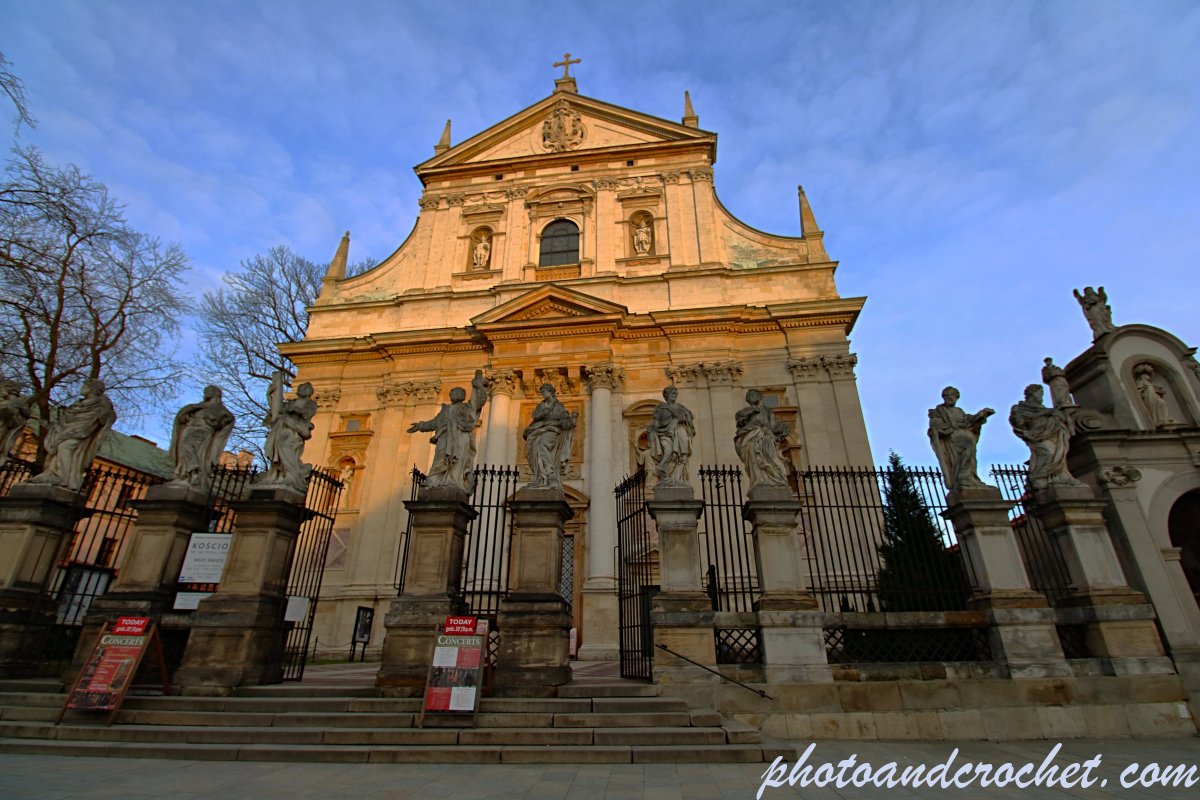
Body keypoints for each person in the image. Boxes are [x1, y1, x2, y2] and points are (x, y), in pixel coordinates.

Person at [30, 378, 117, 492]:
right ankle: (53, 474)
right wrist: (51, 426)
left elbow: (104, 420)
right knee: (58, 450)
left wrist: (105, 410)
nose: (81, 389)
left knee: (64, 447)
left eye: (84, 387)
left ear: (92, 389)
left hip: (82, 433)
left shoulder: (101, 404)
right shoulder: (77, 405)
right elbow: (66, 420)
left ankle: (62, 477)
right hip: (67, 431)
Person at [408, 371, 488, 493]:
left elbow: (479, 401)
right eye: (454, 392)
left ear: (463, 397)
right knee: (440, 456)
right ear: (450, 395)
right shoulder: (445, 410)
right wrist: (420, 425)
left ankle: (454, 481)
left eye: (460, 393)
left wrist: (479, 386)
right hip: (444, 437)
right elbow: (435, 423)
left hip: (460, 436)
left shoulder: (467, 408)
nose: (456, 394)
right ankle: (434, 480)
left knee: (459, 458)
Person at [1009, 384, 1082, 491]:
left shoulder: (1044, 409)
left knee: (1059, 455)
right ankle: (1038, 478)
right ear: (1032, 394)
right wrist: (1016, 415)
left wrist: (1057, 416)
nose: (1041, 397)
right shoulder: (1020, 408)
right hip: (1036, 436)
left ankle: (1059, 477)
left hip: (1052, 436)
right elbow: (1019, 423)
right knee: (1048, 453)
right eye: (1040, 394)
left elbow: (1062, 417)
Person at [255, 373, 317, 494]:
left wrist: (293, 411)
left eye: (305, 388)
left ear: (310, 392)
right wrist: (269, 395)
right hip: (283, 428)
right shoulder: (290, 403)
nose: (301, 389)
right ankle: (279, 475)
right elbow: (276, 410)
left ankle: (291, 474)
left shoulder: (311, 404)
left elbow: (306, 413)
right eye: (301, 387)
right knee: (278, 445)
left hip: (296, 431)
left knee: (285, 445)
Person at [168, 385, 235, 491]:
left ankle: (195, 470)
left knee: (186, 445)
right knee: (183, 450)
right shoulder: (197, 406)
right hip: (190, 428)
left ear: (216, 394)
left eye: (209, 391)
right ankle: (186, 475)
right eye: (205, 391)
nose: (206, 393)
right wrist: (190, 411)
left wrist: (212, 420)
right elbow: (181, 418)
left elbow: (225, 421)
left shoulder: (220, 409)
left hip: (204, 429)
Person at [927, 386, 993, 492]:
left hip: (963, 434)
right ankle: (964, 476)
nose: (950, 398)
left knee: (970, 455)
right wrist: (947, 430)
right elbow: (935, 424)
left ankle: (970, 478)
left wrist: (981, 415)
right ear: (943, 397)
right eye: (947, 395)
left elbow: (966, 421)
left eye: (952, 395)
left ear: (957, 397)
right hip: (952, 437)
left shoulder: (959, 411)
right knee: (968, 448)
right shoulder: (939, 411)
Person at [523, 383, 576, 492]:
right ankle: (540, 478)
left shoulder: (559, 406)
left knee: (542, 444)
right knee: (534, 451)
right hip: (538, 430)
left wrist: (571, 421)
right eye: (542, 392)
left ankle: (550, 474)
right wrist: (542, 413)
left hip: (552, 430)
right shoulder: (541, 406)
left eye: (544, 391)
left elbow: (564, 421)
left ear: (550, 392)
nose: (543, 394)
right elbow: (535, 415)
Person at [733, 389, 791, 488]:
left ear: (759, 397)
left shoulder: (767, 410)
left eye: (754, 395)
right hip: (751, 437)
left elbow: (773, 424)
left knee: (770, 457)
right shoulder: (746, 411)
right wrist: (752, 410)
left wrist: (782, 428)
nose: (752, 397)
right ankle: (759, 480)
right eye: (750, 395)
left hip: (766, 436)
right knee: (754, 458)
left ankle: (776, 479)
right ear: (748, 399)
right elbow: (739, 418)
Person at [645, 386, 695, 488]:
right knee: (669, 451)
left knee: (681, 455)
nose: (674, 396)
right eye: (672, 394)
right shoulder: (660, 408)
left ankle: (676, 479)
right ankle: (662, 471)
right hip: (664, 433)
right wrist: (651, 429)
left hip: (679, 432)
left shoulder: (680, 407)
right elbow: (657, 423)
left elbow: (686, 417)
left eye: (675, 394)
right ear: (666, 396)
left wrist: (672, 411)